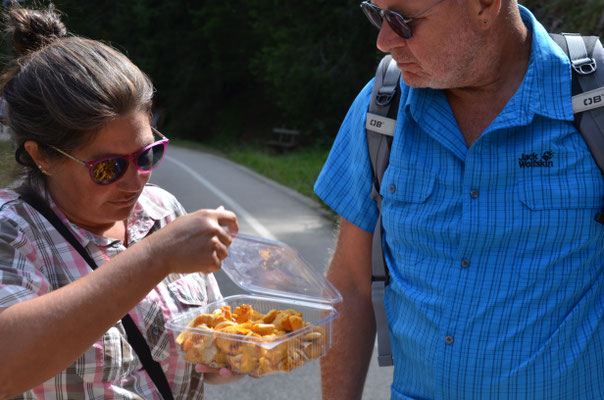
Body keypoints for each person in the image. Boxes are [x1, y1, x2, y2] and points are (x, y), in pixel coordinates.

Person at [315, 0, 604, 399]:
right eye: (376, 15)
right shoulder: (382, 106)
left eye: (401, 21)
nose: (383, 41)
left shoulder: (593, 102)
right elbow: (351, 283)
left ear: (484, 6)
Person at [0, 3, 241, 398]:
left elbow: (207, 349)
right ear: (42, 156)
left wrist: (231, 355)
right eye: (108, 168)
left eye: (147, 155)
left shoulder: (162, 210)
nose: (136, 182)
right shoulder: (13, 231)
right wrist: (154, 257)